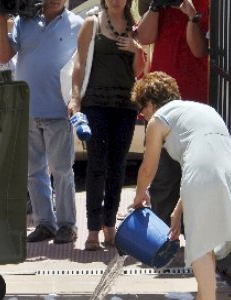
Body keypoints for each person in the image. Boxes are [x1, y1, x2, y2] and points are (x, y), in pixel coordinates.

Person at [131, 72, 231, 300]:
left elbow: (149, 167)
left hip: (206, 175)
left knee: (199, 245)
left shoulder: (159, 120)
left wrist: (139, 195)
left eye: (142, 110)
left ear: (150, 103)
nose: (143, 116)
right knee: (207, 244)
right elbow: (204, 161)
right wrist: (177, 210)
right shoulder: (199, 109)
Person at [0, 0, 83, 244]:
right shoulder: (26, 21)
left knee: (62, 171)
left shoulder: (77, 24)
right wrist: (1, 19)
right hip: (28, 110)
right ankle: (45, 223)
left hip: (59, 110)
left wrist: (76, 99)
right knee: (34, 173)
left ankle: (67, 224)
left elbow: (82, 66)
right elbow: (4, 55)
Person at [67, 0, 146, 250]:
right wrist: (75, 97)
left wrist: (136, 50)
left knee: (118, 166)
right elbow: (78, 64)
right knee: (96, 165)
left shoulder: (135, 28)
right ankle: (92, 229)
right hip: (96, 103)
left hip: (125, 105)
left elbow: (139, 71)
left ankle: (110, 226)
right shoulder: (92, 23)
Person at [135, 0, 210, 228]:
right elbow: (144, 38)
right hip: (162, 104)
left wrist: (191, 16)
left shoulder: (204, 4)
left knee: (194, 178)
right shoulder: (162, 7)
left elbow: (199, 49)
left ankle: (195, 239)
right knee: (163, 179)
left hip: (194, 101)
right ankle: (163, 241)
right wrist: (157, 6)